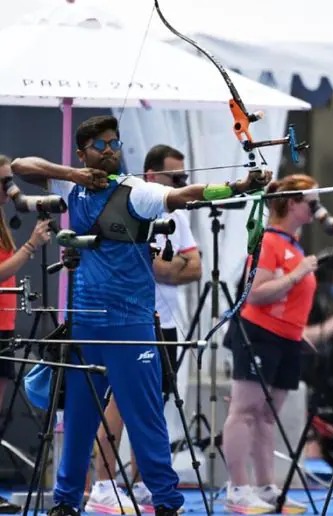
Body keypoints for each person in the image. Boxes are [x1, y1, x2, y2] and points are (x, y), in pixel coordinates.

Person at [11, 114, 271, 516]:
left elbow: (187, 196)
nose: (111, 150)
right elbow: (20, 167)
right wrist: (75, 175)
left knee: (145, 417)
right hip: (85, 323)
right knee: (78, 419)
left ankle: (167, 503)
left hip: (131, 326)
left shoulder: (136, 191)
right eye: (101, 145)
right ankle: (65, 502)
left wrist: (238, 186)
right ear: (83, 153)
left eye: (115, 143)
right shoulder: (71, 185)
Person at [86, 145, 202, 513]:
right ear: (152, 177)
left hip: (165, 324)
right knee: (120, 404)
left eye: (185, 178)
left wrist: (166, 265)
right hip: (131, 320)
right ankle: (102, 485)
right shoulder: (130, 204)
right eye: (176, 178)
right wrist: (168, 265)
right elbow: (147, 264)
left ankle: (143, 485)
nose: (182, 184)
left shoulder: (176, 213)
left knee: (151, 407)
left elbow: (195, 267)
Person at [221, 174, 318, 514]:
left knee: (265, 417)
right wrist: (297, 274)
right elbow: (257, 294)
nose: (316, 208)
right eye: (312, 201)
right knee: (245, 411)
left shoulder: (293, 244)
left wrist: (297, 327)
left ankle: (264, 487)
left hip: (287, 339)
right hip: (259, 335)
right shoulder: (270, 243)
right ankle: (237, 488)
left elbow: (287, 299)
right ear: (293, 204)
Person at [0, 155, 52, 514]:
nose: (9, 190)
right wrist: (31, 246)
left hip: (3, 325)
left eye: (9, 181)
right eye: (3, 182)